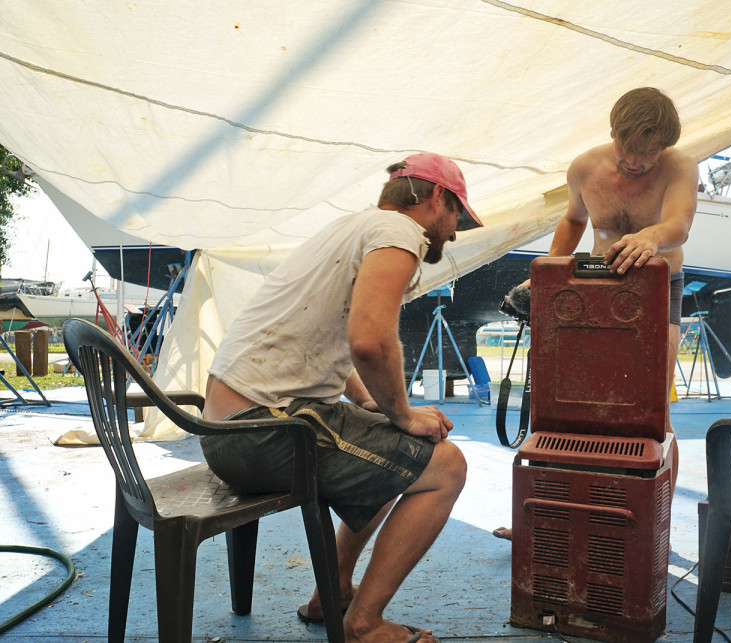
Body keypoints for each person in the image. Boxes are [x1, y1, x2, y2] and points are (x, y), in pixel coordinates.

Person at [200, 152, 482, 643]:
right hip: (264, 430)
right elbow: (369, 341)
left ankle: (329, 592)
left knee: (390, 443)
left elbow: (323, 335)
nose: (455, 233)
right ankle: (363, 625)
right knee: (445, 467)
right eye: (457, 214)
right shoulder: (399, 233)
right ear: (438, 196)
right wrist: (403, 413)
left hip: (231, 423)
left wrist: (372, 404)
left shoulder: (353, 227)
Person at [493, 87, 697, 541]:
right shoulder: (585, 167)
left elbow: (679, 224)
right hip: (594, 287)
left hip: (657, 287)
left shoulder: (679, 165)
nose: (639, 161)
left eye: (651, 151)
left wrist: (652, 237)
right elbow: (573, 220)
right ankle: (547, 517)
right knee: (567, 409)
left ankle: (655, 526)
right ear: (613, 132)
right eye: (630, 148)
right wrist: (545, 272)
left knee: (653, 414)